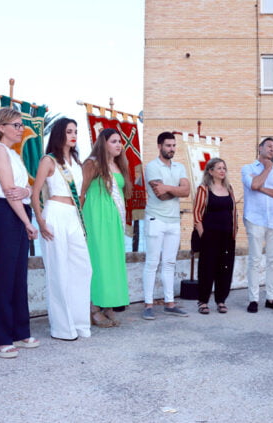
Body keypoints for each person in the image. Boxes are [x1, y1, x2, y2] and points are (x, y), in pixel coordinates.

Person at [0, 107, 40, 358]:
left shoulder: (13, 155)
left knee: (18, 275)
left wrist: (27, 193)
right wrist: (27, 222)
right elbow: (9, 190)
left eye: (21, 125)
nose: (20, 130)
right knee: (4, 276)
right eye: (16, 125)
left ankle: (19, 330)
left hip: (18, 211)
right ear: (1, 128)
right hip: (5, 213)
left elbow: (24, 188)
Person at [31, 118, 92, 340]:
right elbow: (35, 192)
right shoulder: (49, 161)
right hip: (54, 212)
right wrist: (40, 221)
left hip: (73, 215)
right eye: (68, 131)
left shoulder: (76, 162)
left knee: (83, 268)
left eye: (75, 131)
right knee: (58, 270)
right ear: (59, 134)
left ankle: (80, 323)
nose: (73, 135)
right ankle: (62, 328)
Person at [80, 128, 132, 327]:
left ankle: (108, 305)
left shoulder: (119, 165)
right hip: (96, 218)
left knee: (113, 261)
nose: (119, 145)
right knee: (98, 261)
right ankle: (93, 308)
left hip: (113, 220)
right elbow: (82, 192)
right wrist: (81, 221)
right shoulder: (92, 163)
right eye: (114, 141)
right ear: (103, 143)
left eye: (120, 141)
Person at [141, 131, 190, 320]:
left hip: (173, 221)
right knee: (152, 262)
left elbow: (186, 191)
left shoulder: (179, 167)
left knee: (170, 263)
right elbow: (160, 196)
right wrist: (177, 190)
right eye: (168, 145)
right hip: (156, 219)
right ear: (160, 146)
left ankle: (170, 303)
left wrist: (170, 188)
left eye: (174, 145)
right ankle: (148, 305)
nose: (172, 149)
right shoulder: (152, 167)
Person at [241, 138, 273, 313]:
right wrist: (266, 170)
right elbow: (253, 184)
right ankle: (253, 299)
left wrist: (261, 188)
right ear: (259, 148)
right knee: (254, 259)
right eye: (269, 146)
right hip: (255, 219)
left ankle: (270, 298)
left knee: (272, 260)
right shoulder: (248, 168)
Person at [193, 158, 238, 314]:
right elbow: (197, 213)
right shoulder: (204, 189)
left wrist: (234, 231)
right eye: (218, 168)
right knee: (207, 268)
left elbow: (233, 212)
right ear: (210, 171)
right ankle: (203, 301)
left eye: (224, 168)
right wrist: (202, 234)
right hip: (209, 236)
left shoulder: (229, 189)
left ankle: (221, 300)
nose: (222, 171)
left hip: (227, 236)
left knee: (225, 269)